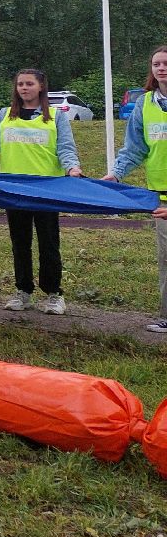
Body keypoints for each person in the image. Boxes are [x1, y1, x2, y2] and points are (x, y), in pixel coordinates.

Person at [0, 68, 82, 315]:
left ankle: (54, 294)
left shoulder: (57, 117)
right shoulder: (5, 115)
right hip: (13, 189)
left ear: (41, 87)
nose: (24, 88)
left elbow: (65, 148)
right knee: (20, 242)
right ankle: (23, 291)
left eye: (29, 84)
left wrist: (73, 168)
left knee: (49, 243)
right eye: (20, 84)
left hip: (47, 190)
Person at [105, 45, 167, 333]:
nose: (161, 68)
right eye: (156, 63)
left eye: (166, 63)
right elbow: (134, 149)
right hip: (160, 196)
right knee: (165, 258)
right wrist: (115, 175)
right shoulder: (144, 104)